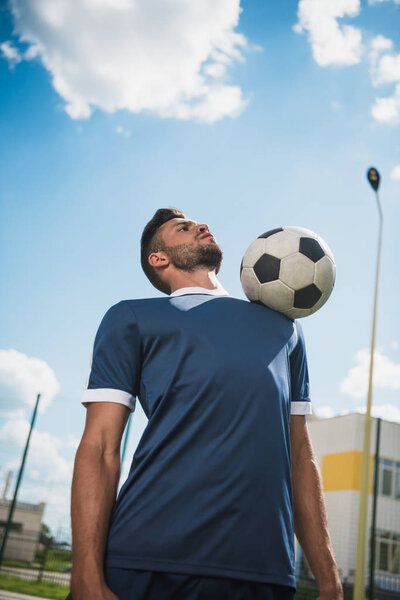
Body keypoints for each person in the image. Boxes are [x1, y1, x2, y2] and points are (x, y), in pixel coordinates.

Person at [66, 208, 343, 600]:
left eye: (200, 223)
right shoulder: (132, 318)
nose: (202, 225)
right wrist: (86, 577)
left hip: (262, 571)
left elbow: (301, 457)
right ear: (158, 258)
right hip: (146, 561)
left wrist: (329, 580)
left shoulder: (285, 329)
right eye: (183, 227)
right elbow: (99, 449)